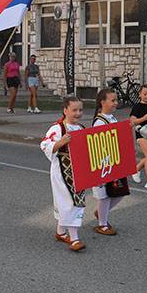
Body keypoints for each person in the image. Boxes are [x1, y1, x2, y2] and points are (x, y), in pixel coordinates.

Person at [41, 95, 87, 252]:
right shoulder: (58, 128)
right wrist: (60, 143)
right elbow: (44, 144)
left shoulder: (81, 128)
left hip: (78, 172)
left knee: (71, 202)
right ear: (65, 110)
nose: (78, 113)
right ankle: (74, 239)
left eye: (80, 110)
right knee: (69, 202)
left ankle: (61, 232)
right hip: (63, 173)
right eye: (74, 110)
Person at [92, 88, 137, 235]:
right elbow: (97, 144)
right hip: (103, 164)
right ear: (102, 102)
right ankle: (102, 224)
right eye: (113, 100)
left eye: (116, 100)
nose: (116, 103)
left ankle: (101, 213)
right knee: (105, 195)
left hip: (115, 162)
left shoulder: (112, 118)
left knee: (120, 191)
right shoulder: (99, 122)